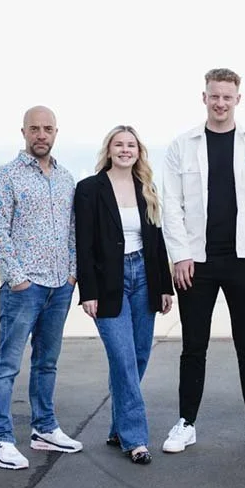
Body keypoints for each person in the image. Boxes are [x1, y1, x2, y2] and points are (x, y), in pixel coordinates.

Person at [161, 68, 245, 454]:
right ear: (204, 97)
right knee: (193, 344)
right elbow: (171, 206)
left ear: (238, 99)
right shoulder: (182, 145)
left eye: (227, 97)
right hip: (197, 262)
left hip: (244, 260)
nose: (220, 103)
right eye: (214, 96)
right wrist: (180, 255)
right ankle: (186, 423)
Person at [0, 105, 82, 470]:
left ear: (56, 132)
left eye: (47, 128)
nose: (41, 135)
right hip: (24, 288)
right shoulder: (6, 176)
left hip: (60, 286)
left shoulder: (66, 178)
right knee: (7, 363)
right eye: (34, 129)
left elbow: (73, 231)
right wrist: (17, 278)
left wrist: (72, 274)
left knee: (47, 363)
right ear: (23, 132)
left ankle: (44, 429)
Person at [74, 125, 174, 465]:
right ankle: (136, 439)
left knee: (139, 356)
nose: (125, 150)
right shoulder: (89, 189)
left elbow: (157, 241)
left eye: (131, 145)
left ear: (138, 151)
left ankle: (118, 427)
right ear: (109, 149)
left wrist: (164, 286)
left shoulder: (146, 187)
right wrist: (88, 292)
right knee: (123, 359)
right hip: (109, 283)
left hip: (144, 277)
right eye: (119, 144)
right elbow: (83, 245)